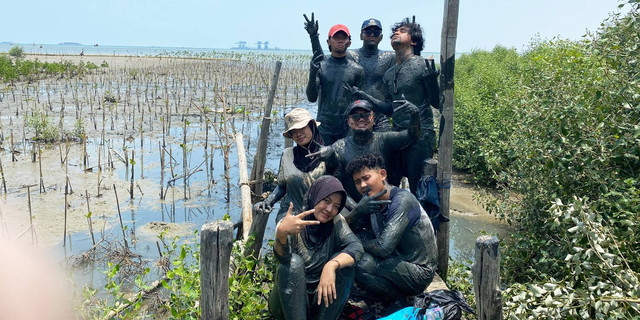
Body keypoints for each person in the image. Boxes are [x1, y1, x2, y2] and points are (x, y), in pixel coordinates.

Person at [352, 16, 440, 194]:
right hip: (398, 135)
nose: (395, 33)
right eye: (394, 32)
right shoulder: (390, 73)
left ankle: (420, 220)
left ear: (413, 41)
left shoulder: (422, 65)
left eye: (401, 31)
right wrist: (366, 97)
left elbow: (437, 103)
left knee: (418, 186)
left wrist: (431, 81)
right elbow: (390, 109)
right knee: (389, 184)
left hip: (421, 135)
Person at [345, 153, 438, 305]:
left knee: (362, 263)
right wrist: (357, 211)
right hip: (397, 259)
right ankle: (387, 293)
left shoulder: (401, 200)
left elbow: (383, 248)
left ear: (382, 174)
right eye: (357, 182)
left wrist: (356, 246)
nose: (362, 186)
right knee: (356, 240)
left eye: (366, 178)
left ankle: (398, 301)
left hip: (419, 272)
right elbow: (350, 232)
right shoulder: (372, 202)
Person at [268, 175, 363, 320]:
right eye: (326, 201)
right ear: (315, 196)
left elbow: (356, 246)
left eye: (336, 206)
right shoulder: (295, 220)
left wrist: (331, 266)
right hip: (287, 304)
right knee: (293, 263)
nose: (329, 209)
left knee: (345, 266)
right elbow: (282, 258)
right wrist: (281, 233)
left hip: (320, 298)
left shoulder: (336, 221)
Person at [306, 99, 419, 208]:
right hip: (353, 205)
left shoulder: (385, 139)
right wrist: (357, 209)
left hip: (383, 203)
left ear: (373, 118)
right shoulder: (339, 147)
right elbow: (337, 187)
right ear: (349, 122)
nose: (361, 120)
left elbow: (412, 136)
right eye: (355, 117)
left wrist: (415, 115)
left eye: (365, 115)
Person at [304, 14, 395, 131]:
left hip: (380, 115)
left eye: (376, 32)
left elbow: (406, 65)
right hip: (357, 115)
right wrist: (314, 36)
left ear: (381, 37)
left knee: (379, 147)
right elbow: (322, 61)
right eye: (368, 32)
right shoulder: (350, 55)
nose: (372, 35)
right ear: (361, 35)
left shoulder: (390, 57)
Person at [253, 108, 327, 223]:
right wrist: (268, 201)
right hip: (290, 212)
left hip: (321, 213)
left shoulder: (328, 154)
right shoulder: (287, 154)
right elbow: (282, 186)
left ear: (312, 126)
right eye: (294, 132)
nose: (298, 134)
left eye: (302, 128)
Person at [305, 23, 365, 145]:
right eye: (336, 38)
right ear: (329, 41)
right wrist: (312, 73)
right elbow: (311, 98)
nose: (340, 41)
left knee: (346, 163)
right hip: (324, 127)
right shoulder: (321, 67)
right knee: (322, 163)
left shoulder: (357, 70)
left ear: (349, 42)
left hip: (347, 127)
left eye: (343, 38)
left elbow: (359, 103)